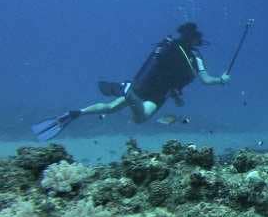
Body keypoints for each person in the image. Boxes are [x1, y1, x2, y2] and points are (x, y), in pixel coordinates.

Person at [31, 22, 230, 141]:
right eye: (199, 38)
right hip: (156, 92)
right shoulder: (194, 56)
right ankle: (127, 92)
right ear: (194, 39)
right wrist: (221, 80)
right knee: (140, 117)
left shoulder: (169, 46)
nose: (200, 41)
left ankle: (76, 113)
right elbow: (205, 80)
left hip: (142, 81)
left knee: (110, 108)